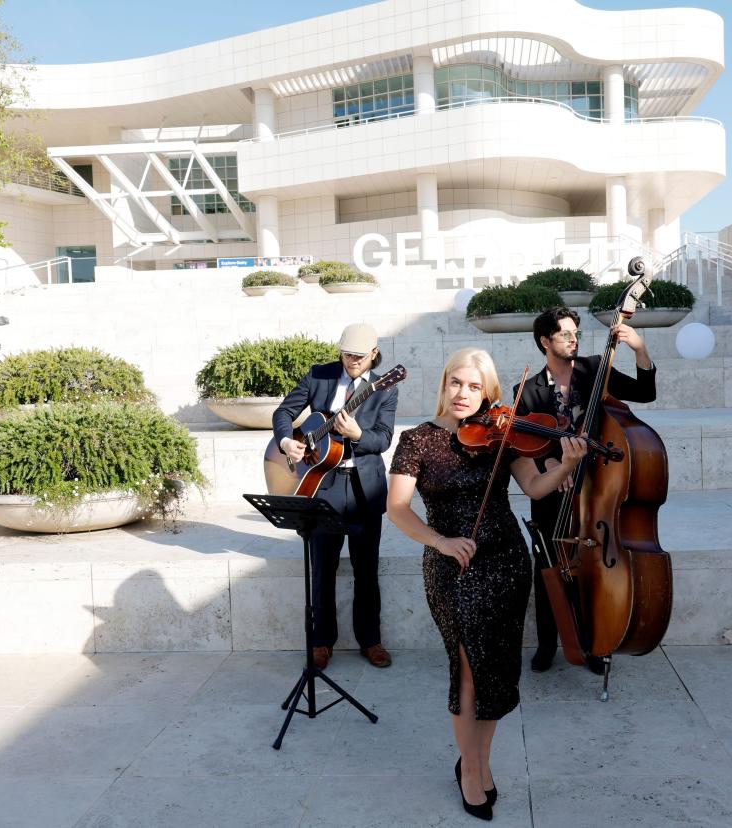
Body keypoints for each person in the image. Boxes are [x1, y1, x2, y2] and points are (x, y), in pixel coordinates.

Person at [387, 347, 586, 820]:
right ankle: (471, 772)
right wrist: (440, 540)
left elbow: (536, 487)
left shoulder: (502, 436)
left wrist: (566, 465)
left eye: (475, 386)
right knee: (468, 669)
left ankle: (479, 761)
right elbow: (397, 509)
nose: (464, 393)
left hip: (504, 562)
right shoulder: (416, 440)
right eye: (457, 382)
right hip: (450, 566)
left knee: (495, 670)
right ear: (443, 384)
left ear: (489, 393)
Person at [514, 306, 656, 673]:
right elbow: (527, 443)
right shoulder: (526, 391)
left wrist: (639, 350)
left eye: (575, 332)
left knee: (592, 569)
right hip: (554, 490)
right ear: (545, 341)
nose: (573, 338)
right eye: (564, 334)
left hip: (600, 489)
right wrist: (550, 465)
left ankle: (593, 644)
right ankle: (548, 644)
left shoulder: (595, 369)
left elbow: (644, 392)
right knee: (548, 566)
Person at [273, 323, 399, 670]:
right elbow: (284, 412)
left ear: (374, 353)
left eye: (359, 356)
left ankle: (370, 640)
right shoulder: (319, 376)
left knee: (366, 569)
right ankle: (320, 642)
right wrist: (287, 441)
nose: (352, 361)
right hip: (321, 484)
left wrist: (357, 433)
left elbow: (383, 439)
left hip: (363, 487)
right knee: (322, 568)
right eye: (347, 354)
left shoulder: (385, 387)